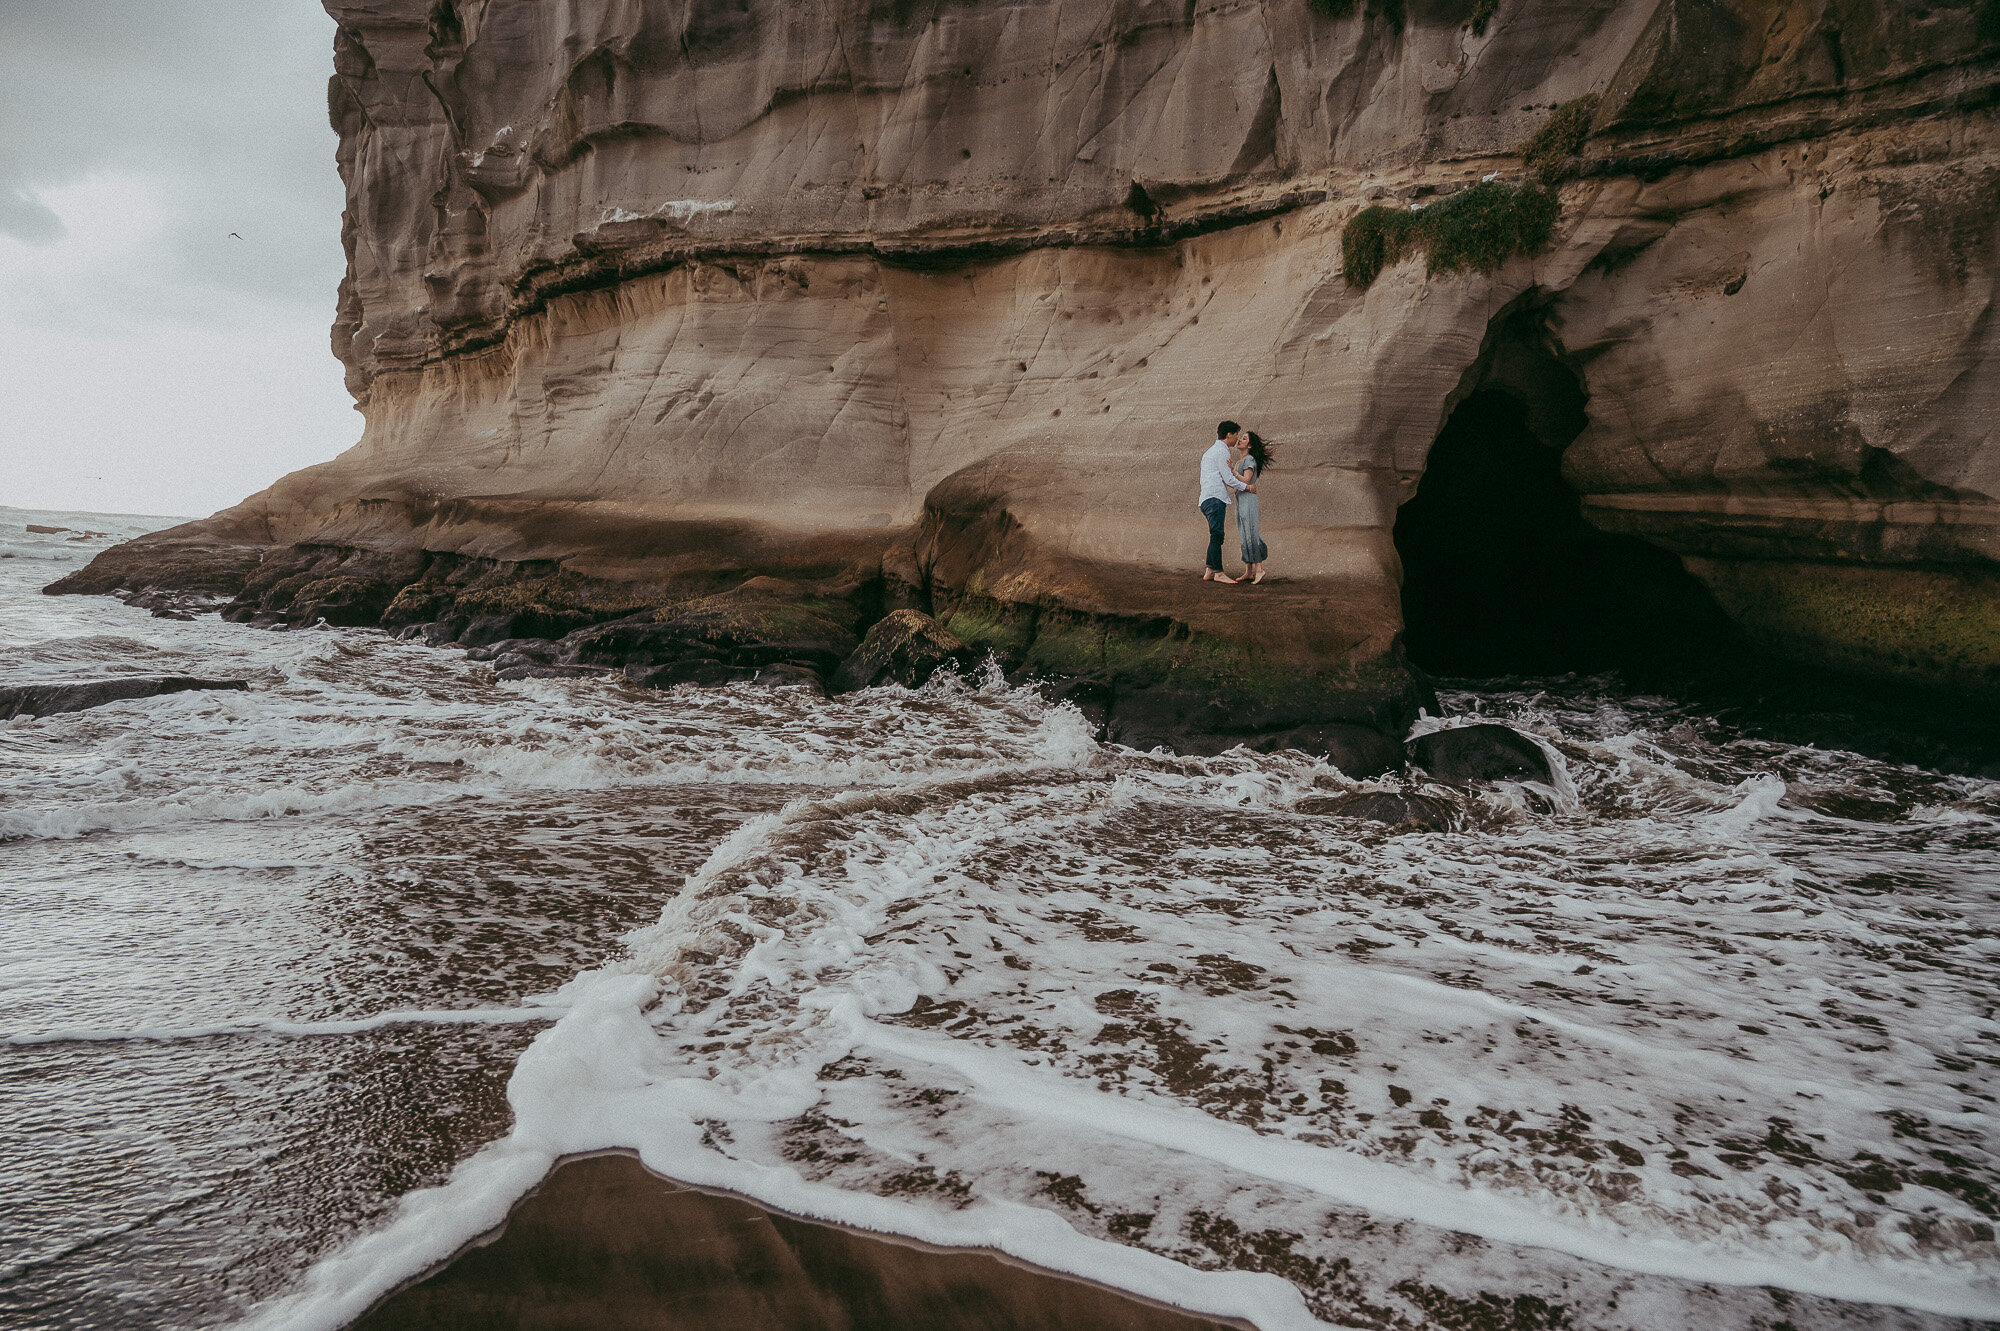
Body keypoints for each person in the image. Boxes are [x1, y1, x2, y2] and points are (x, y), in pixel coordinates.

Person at [1198, 421, 1249, 582]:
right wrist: (1246, 487)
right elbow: (1228, 479)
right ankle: (1218, 573)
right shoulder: (1222, 452)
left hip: (1206, 498)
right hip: (1215, 498)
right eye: (1236, 435)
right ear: (1229, 435)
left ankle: (1209, 569)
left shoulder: (1209, 452)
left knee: (1215, 535)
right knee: (1217, 534)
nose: (1236, 438)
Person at [1234, 431, 1273, 584]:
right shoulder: (1238, 462)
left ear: (1249, 445)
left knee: (1251, 531)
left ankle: (1259, 569)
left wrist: (1232, 472)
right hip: (1241, 499)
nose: (1240, 440)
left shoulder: (1249, 459)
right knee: (1243, 533)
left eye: (1244, 439)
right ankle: (1248, 571)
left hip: (1248, 501)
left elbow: (1246, 479)